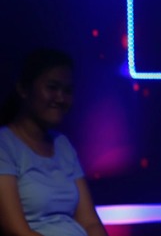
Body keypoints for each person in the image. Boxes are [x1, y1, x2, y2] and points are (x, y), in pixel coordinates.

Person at [0, 48, 108, 236]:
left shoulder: (62, 144)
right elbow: (16, 230)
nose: (60, 98)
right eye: (52, 87)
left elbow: (90, 222)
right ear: (24, 89)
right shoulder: (5, 145)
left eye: (67, 91)